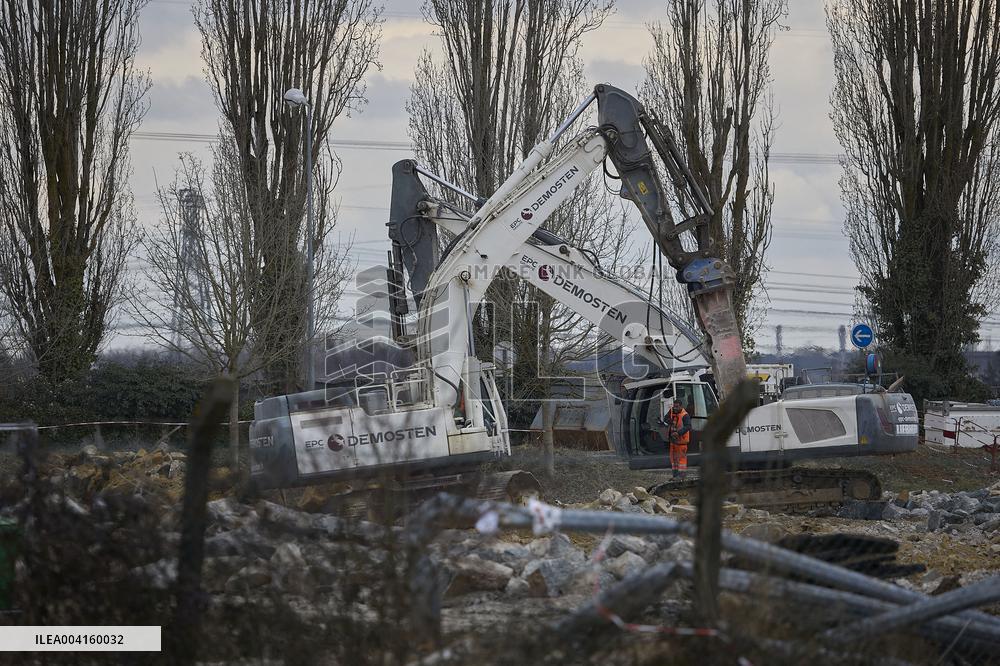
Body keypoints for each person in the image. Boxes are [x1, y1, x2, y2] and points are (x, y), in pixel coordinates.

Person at [658, 400, 691, 480]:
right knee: (674, 459)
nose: (675, 408)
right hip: (673, 441)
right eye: (674, 406)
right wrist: (670, 421)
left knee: (681, 459)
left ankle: (681, 475)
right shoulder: (672, 411)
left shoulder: (685, 415)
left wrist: (678, 433)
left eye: (677, 406)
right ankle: (675, 475)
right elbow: (666, 418)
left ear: (681, 406)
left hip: (681, 441)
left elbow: (688, 426)